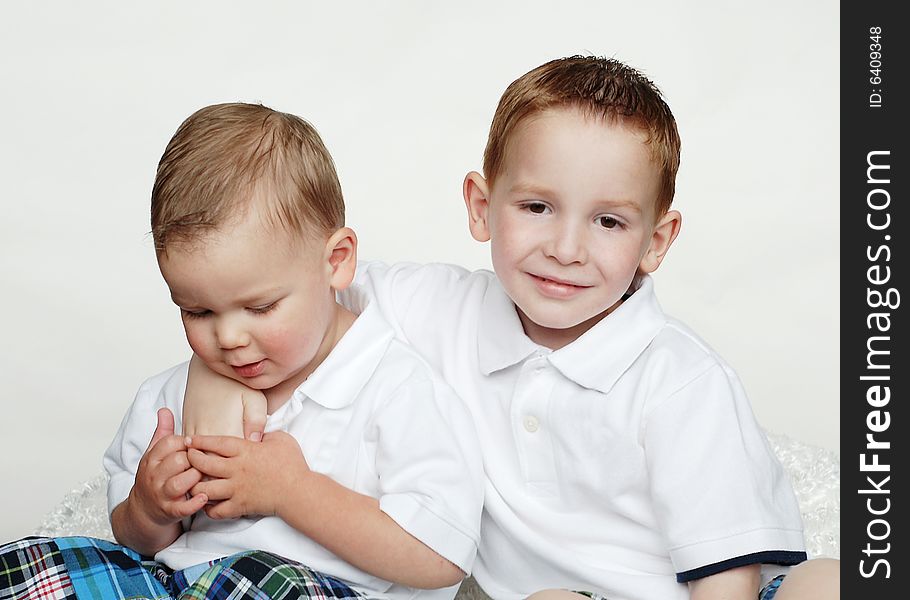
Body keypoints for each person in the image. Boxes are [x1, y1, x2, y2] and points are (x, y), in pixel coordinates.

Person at [340, 57, 840, 599]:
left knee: (828, 583)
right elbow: (303, 285)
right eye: (536, 206)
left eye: (608, 221)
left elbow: (726, 573)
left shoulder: (681, 381)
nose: (566, 250)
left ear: (656, 241)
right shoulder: (439, 308)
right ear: (482, 207)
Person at [0, 102, 483, 600]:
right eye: (198, 312)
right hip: (178, 582)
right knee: (42, 565)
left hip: (314, 587)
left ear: (335, 262)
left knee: (257, 582)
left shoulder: (396, 387)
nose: (227, 338)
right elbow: (135, 541)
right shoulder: (171, 396)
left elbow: (441, 555)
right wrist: (149, 509)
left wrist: (291, 491)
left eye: (260, 306)